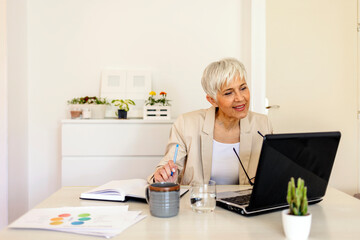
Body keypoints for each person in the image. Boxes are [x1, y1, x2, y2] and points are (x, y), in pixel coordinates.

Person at [147, 58, 273, 185]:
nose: (240, 98)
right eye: (228, 93)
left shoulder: (262, 124)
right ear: (212, 100)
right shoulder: (186, 124)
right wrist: (162, 176)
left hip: (245, 204)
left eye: (243, 88)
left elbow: (273, 170)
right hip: (199, 203)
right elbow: (168, 164)